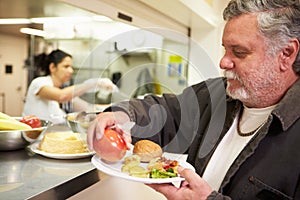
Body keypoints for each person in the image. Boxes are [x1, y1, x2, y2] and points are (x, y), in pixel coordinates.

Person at [87, 0, 300, 199]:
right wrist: (122, 115)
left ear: (286, 54)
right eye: (225, 49)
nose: (223, 62)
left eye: (239, 52)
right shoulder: (215, 93)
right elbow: (164, 110)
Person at [23, 49, 117, 124]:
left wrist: (114, 107)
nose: (71, 71)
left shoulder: (64, 89)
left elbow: (89, 108)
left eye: (71, 67)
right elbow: (61, 96)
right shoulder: (39, 83)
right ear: (52, 67)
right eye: (66, 66)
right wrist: (93, 83)